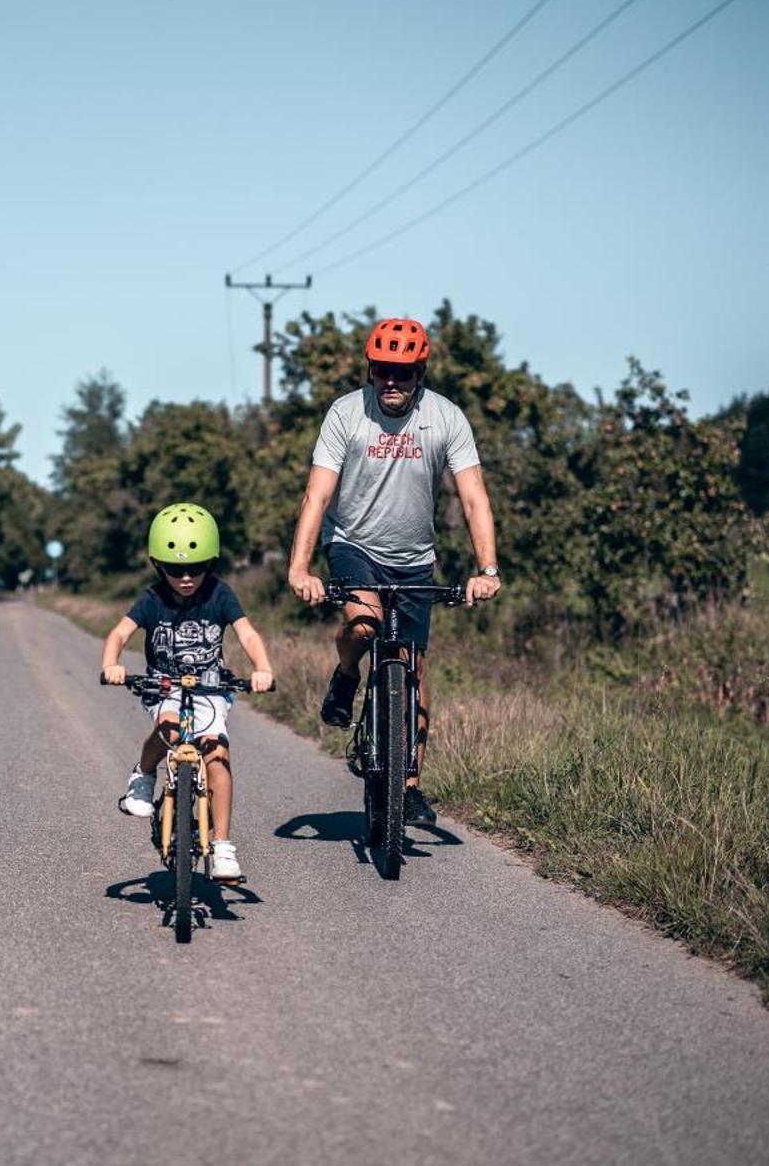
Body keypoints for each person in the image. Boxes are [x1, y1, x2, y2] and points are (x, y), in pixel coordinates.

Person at [284, 317, 502, 826]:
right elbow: (317, 496)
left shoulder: (446, 417)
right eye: (383, 370)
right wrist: (300, 568)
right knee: (364, 622)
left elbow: (474, 500)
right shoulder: (345, 414)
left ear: (419, 374)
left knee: (417, 669)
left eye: (403, 373)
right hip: (355, 545)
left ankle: (410, 787)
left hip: (415, 558)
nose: (391, 381)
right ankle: (345, 676)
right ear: (370, 369)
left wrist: (486, 568)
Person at [99, 503, 276, 883]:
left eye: (195, 568)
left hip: (211, 686)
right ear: (157, 565)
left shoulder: (220, 594)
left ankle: (224, 846)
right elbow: (118, 633)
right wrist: (111, 662)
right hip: (164, 686)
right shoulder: (152, 598)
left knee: (217, 752)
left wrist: (262, 668)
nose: (185, 577)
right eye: (174, 568)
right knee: (171, 727)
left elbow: (246, 632)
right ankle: (144, 774)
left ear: (210, 564)